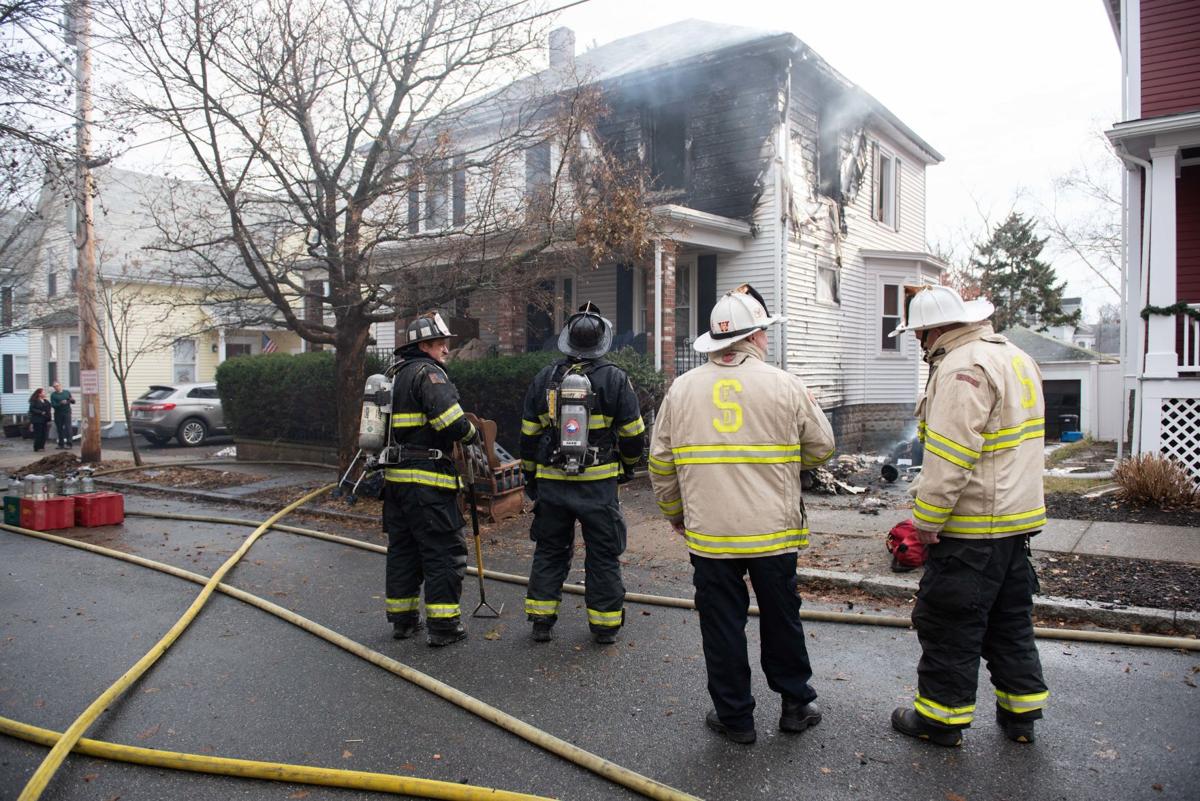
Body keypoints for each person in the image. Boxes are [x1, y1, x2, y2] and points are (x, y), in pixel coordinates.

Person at [649, 285, 835, 745]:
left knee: (721, 623)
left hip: (711, 535)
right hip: (773, 532)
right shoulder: (785, 385)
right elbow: (823, 447)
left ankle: (735, 719)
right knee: (781, 616)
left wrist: (676, 514)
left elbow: (660, 462)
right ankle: (795, 705)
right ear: (754, 337)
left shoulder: (681, 389)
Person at [888, 284, 1049, 748]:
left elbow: (951, 458)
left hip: (974, 527)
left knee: (948, 624)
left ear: (937, 327)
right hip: (1015, 524)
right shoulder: (1015, 357)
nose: (920, 343)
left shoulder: (962, 367)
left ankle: (941, 721)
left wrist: (927, 521)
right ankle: (1021, 715)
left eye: (920, 333)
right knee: (1009, 622)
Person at [519, 302, 645, 645]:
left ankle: (541, 621)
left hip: (552, 484)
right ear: (601, 341)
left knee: (549, 550)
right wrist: (627, 467)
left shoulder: (546, 378)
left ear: (567, 340)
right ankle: (604, 626)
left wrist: (532, 477)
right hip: (598, 485)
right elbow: (634, 434)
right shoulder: (615, 378)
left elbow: (528, 435)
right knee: (603, 553)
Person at [383, 311, 480, 648]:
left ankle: (403, 620)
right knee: (443, 551)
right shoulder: (429, 374)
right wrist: (471, 433)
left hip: (395, 481)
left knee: (404, 549)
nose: (445, 350)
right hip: (428, 482)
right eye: (441, 343)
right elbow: (450, 423)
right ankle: (443, 627)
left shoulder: (395, 376)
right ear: (424, 345)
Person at [50, 381, 74, 449]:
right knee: (59, 429)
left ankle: (69, 443)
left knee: (68, 428)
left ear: (60, 385)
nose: (56, 388)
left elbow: (72, 401)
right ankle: (61, 444)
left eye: (57, 386)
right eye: (54, 387)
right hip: (58, 413)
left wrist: (71, 400)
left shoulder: (66, 392)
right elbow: (53, 405)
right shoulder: (53, 395)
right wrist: (60, 403)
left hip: (67, 412)